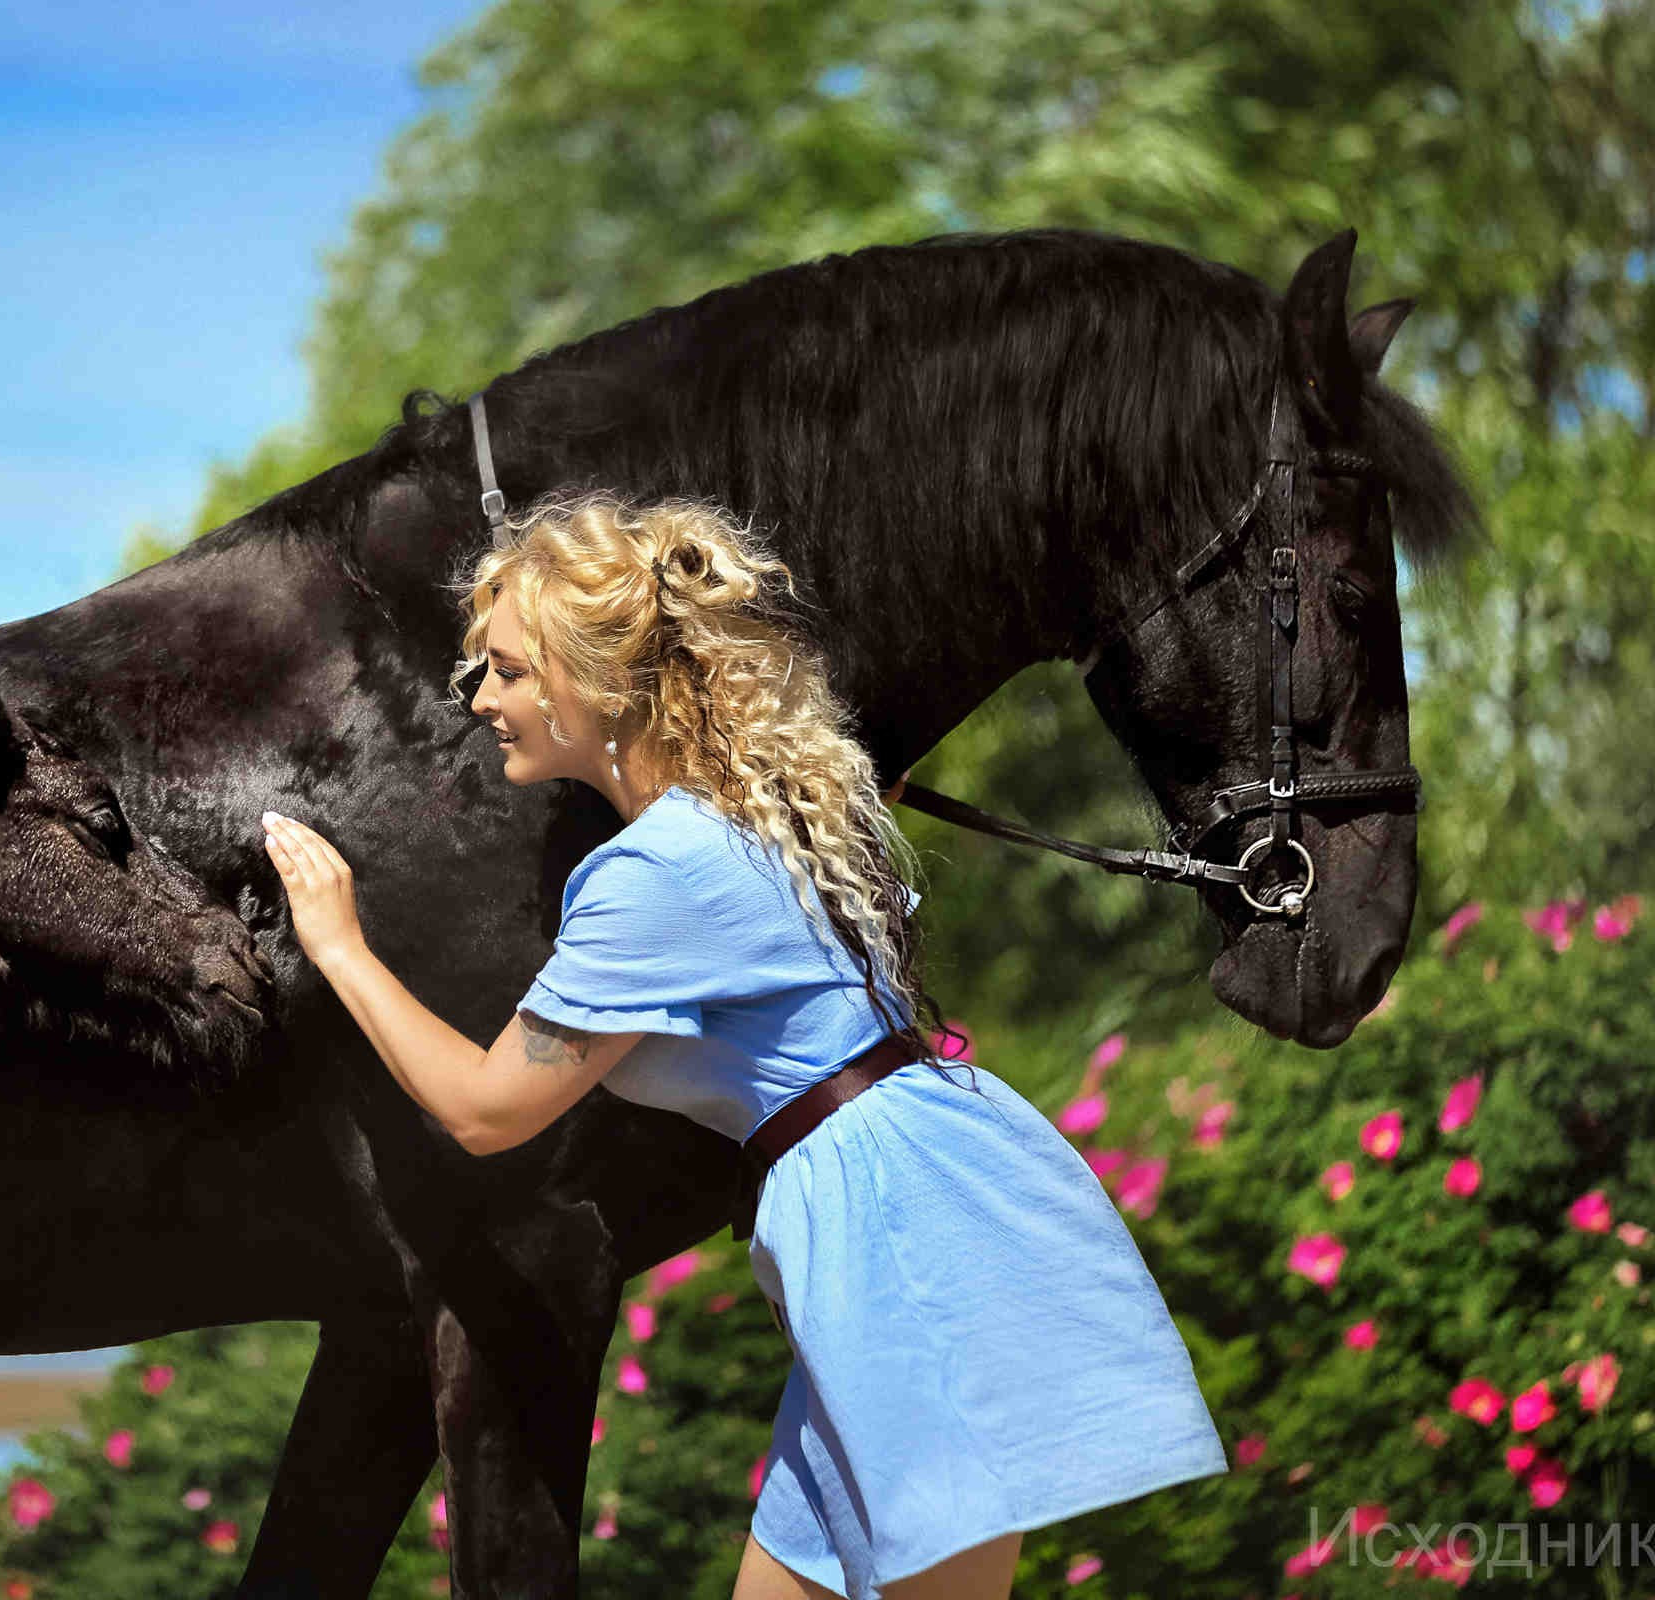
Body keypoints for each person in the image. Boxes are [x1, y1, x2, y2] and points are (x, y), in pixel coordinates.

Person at [258, 490, 1228, 1600]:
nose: (482, 698)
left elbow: (487, 1110)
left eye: (510, 670)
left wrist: (340, 947)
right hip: (908, 1204)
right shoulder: (760, 809)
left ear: (595, 680)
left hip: (905, 1236)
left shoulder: (655, 874)